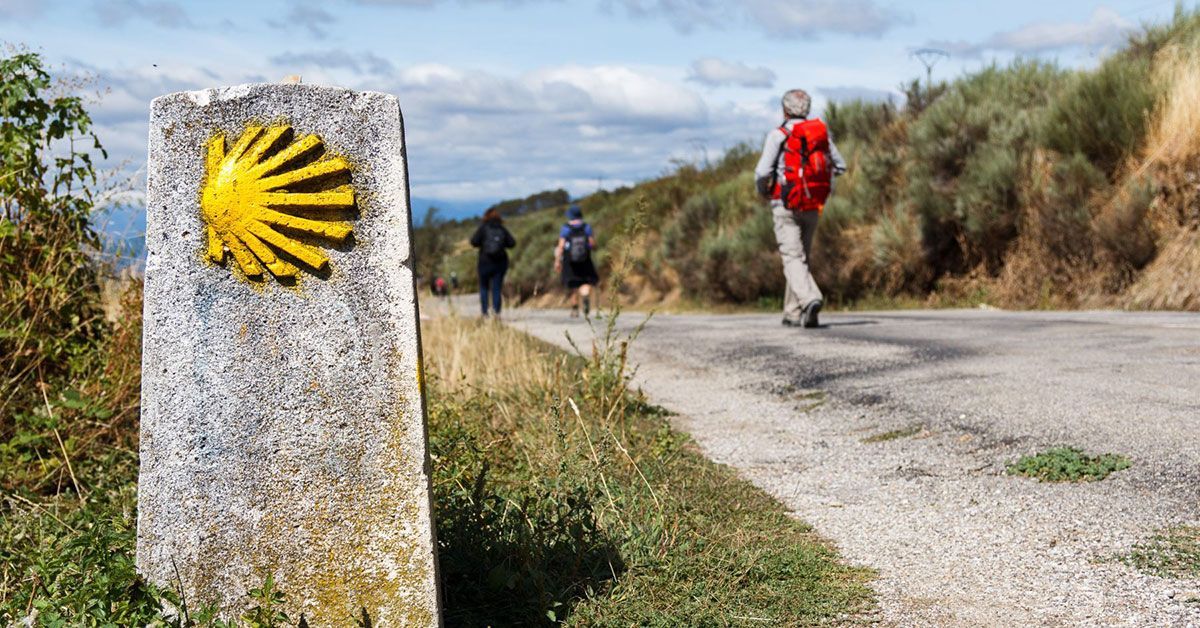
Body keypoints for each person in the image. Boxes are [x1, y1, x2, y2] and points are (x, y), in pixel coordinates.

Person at [754, 88, 846, 329]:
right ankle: (792, 312)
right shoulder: (819, 134)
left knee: (792, 257)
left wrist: (764, 191)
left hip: (785, 204)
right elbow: (840, 165)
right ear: (807, 109)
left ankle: (809, 299)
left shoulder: (779, 135)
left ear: (785, 109)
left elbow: (762, 172)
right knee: (800, 258)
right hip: (813, 204)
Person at [469, 208, 516, 317]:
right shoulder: (502, 229)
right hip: (500, 263)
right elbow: (512, 243)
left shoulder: (483, 228)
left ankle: (484, 313)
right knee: (496, 288)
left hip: (485, 262)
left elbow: (473, 241)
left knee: (484, 287)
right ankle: (496, 313)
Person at [554, 203, 599, 318]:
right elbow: (592, 244)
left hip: (569, 261)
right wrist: (591, 248)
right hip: (585, 259)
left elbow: (561, 246)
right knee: (585, 281)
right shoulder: (586, 227)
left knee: (573, 284)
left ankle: (574, 309)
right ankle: (585, 296)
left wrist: (557, 261)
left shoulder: (566, 228)